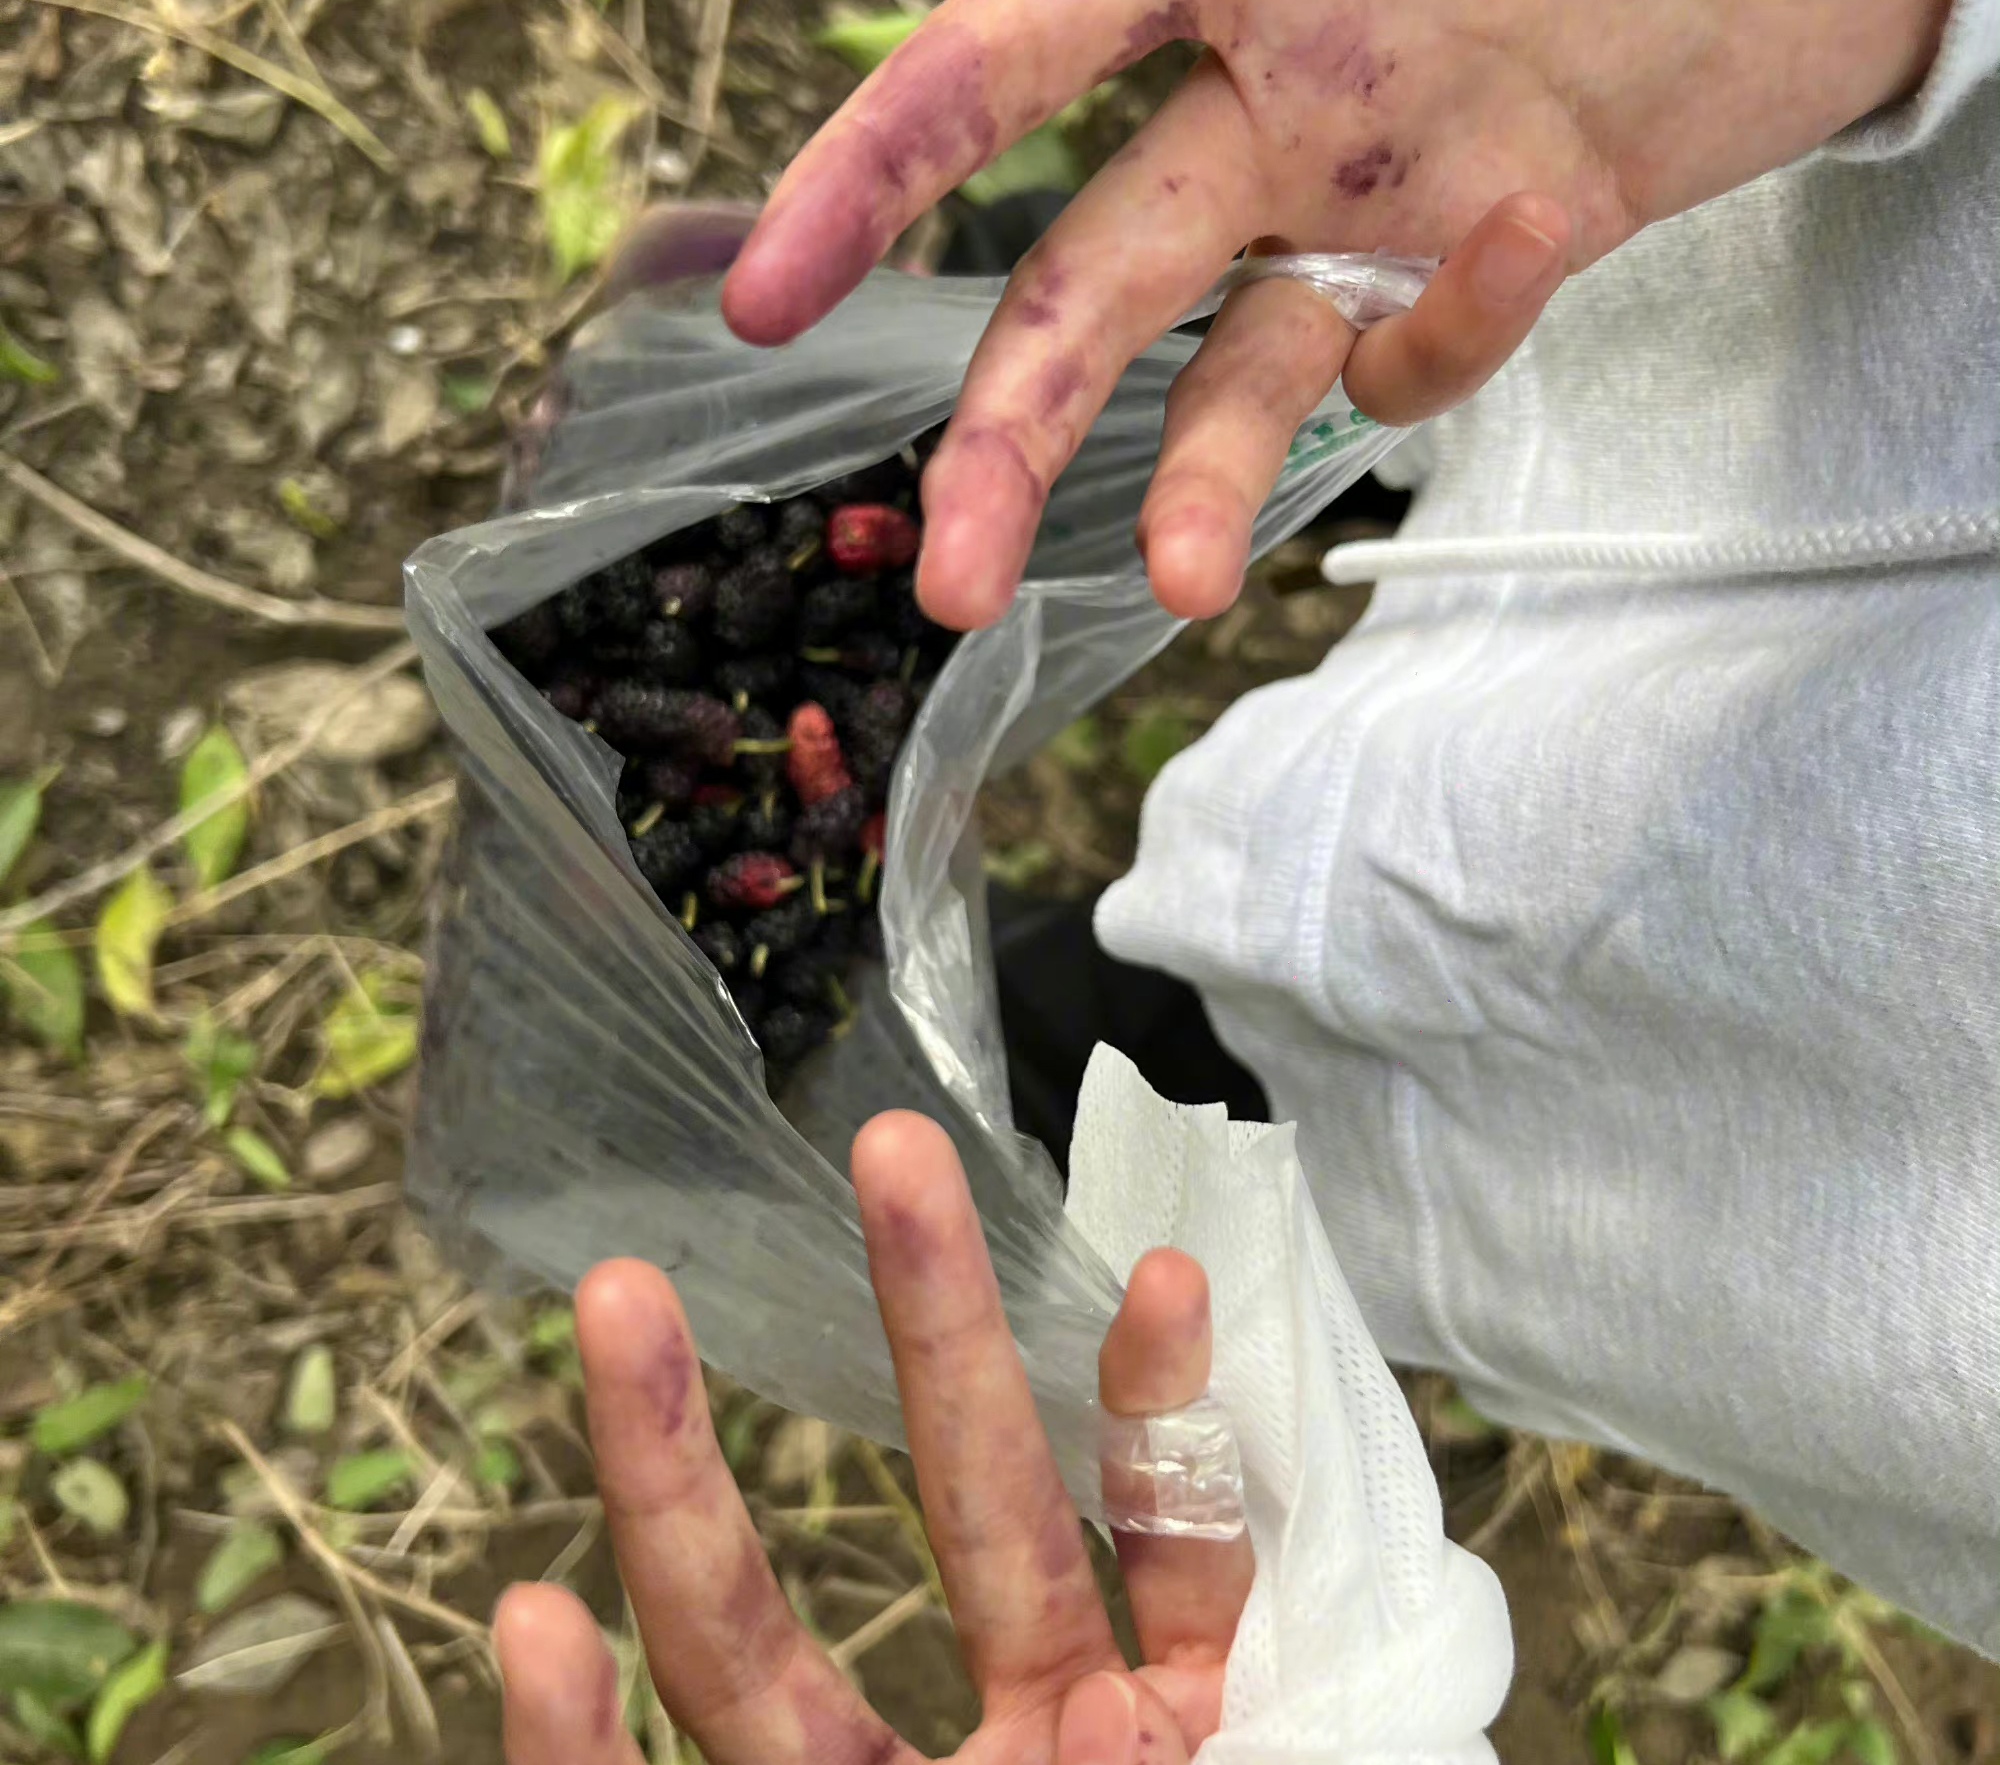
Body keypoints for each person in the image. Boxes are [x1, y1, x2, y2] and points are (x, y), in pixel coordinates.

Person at [496, 0, 2000, 1745]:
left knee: (1161, 1079)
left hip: (1607, 1114)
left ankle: (827, 1002)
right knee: (1305, 340)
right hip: (1693, 249)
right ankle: (972, 342)